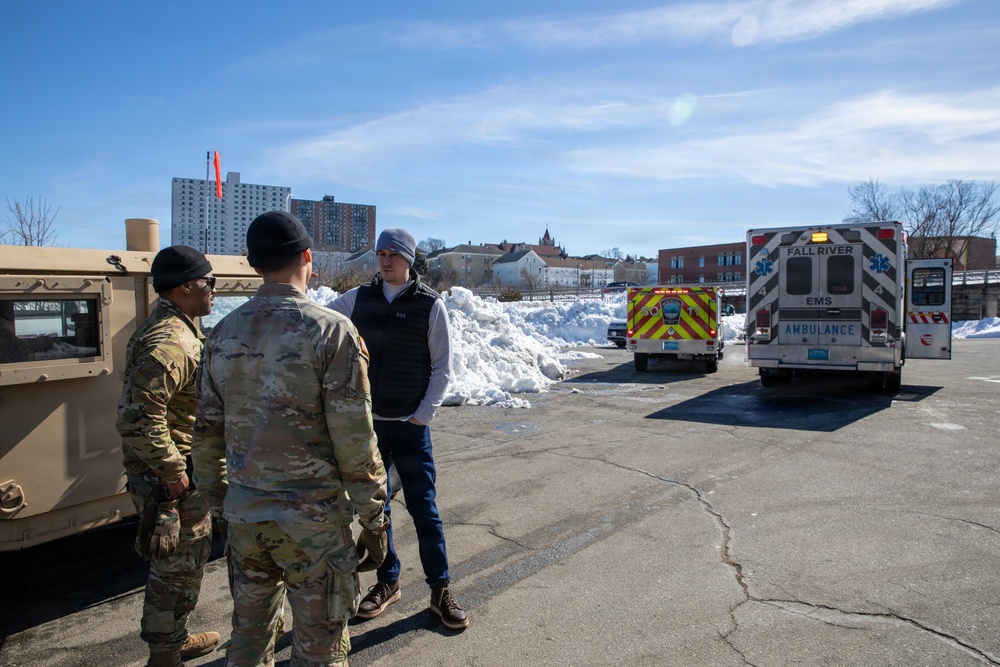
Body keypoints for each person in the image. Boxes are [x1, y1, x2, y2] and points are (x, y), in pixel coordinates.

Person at [193, 210, 389, 667]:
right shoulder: (331, 332)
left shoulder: (221, 334)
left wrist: (224, 504)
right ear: (307, 257)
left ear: (254, 264)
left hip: (247, 520)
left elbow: (205, 437)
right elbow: (355, 442)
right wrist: (375, 520)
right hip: (314, 527)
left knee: (249, 637)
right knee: (320, 647)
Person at [330, 227, 469, 630]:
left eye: (393, 254)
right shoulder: (357, 299)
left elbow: (443, 367)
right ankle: (388, 582)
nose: (385, 260)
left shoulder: (430, 305)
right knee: (377, 510)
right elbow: (317, 319)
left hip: (410, 428)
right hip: (369, 428)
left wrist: (422, 415)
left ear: (409, 259)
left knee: (425, 509)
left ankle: (440, 589)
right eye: (380, 253)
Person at [116, 245, 221, 667]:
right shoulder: (171, 341)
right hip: (169, 482)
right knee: (174, 569)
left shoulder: (177, 327)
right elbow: (136, 418)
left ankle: (173, 639)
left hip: (170, 474)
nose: (214, 289)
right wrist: (176, 474)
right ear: (185, 287)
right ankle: (164, 656)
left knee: (183, 564)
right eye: (208, 282)